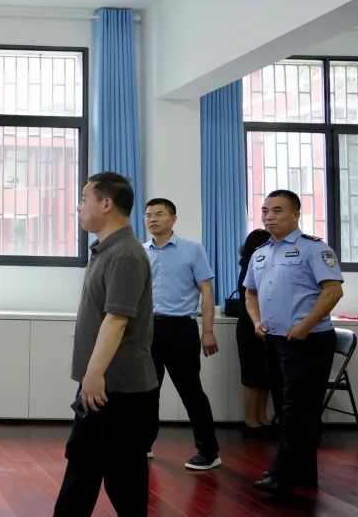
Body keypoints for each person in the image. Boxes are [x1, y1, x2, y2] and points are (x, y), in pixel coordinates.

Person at [53, 172, 158, 517]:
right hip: (103, 384)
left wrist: (94, 374)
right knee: (89, 468)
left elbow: (117, 319)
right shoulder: (106, 250)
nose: (79, 207)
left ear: (107, 204)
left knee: (117, 476)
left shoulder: (124, 255)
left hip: (117, 387)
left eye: (84, 199)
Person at [245, 190, 343, 494]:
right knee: (285, 406)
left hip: (309, 341)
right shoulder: (260, 252)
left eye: (277, 210)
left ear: (296, 214)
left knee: (297, 409)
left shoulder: (314, 249)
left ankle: (282, 472)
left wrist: (305, 325)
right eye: (265, 211)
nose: (269, 217)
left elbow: (333, 291)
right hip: (274, 341)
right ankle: (304, 473)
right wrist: (256, 321)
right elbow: (250, 293)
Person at [141, 198, 221, 470]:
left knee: (191, 392)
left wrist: (208, 331)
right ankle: (143, 445)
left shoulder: (192, 249)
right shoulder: (141, 252)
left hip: (181, 329)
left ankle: (209, 452)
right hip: (147, 330)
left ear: (173, 219)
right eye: (148, 215)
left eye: (159, 214)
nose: (152, 219)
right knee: (146, 392)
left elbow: (207, 289)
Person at [235, 229, 275, 435]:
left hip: (267, 328)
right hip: (250, 328)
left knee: (266, 378)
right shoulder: (250, 268)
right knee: (253, 377)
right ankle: (251, 421)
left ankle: (263, 419)